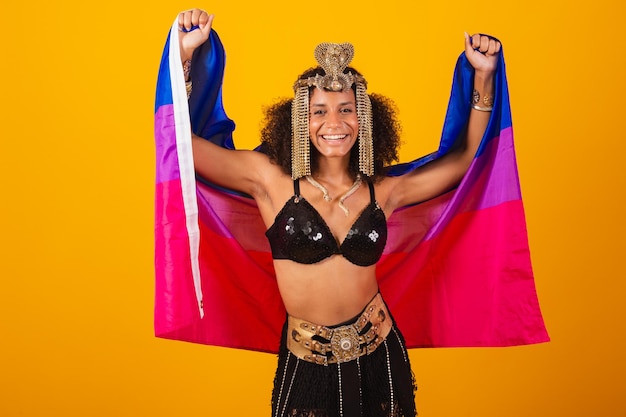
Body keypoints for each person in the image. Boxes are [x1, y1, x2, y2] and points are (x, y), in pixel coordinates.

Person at [155, 7, 546, 417]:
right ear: (299, 120)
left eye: (346, 109)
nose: (334, 122)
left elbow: (467, 160)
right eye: (319, 111)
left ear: (364, 118)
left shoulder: (384, 191)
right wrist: (184, 55)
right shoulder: (268, 179)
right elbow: (180, 145)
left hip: (380, 355)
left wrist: (483, 76)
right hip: (307, 364)